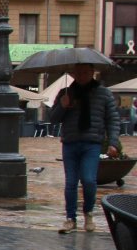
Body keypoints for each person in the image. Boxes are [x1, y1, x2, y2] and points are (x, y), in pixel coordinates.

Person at [49, 62, 122, 234]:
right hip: (70, 143)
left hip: (92, 143)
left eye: (85, 72)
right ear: (73, 74)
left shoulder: (103, 94)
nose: (81, 75)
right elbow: (53, 118)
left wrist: (113, 142)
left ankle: (88, 213)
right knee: (71, 183)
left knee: (89, 180)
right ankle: (70, 218)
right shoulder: (66, 93)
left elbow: (112, 119)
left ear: (92, 73)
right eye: (78, 72)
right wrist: (63, 106)